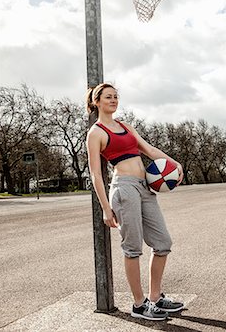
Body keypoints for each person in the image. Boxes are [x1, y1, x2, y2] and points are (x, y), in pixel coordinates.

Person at [86, 83, 184, 321]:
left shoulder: (125, 126)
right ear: (96, 101)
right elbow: (96, 174)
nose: (113, 100)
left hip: (145, 187)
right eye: (108, 97)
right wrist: (105, 209)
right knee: (132, 249)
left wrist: (175, 164)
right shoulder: (96, 133)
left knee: (163, 242)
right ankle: (139, 305)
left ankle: (155, 296)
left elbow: (149, 150)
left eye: (116, 96)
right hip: (124, 189)